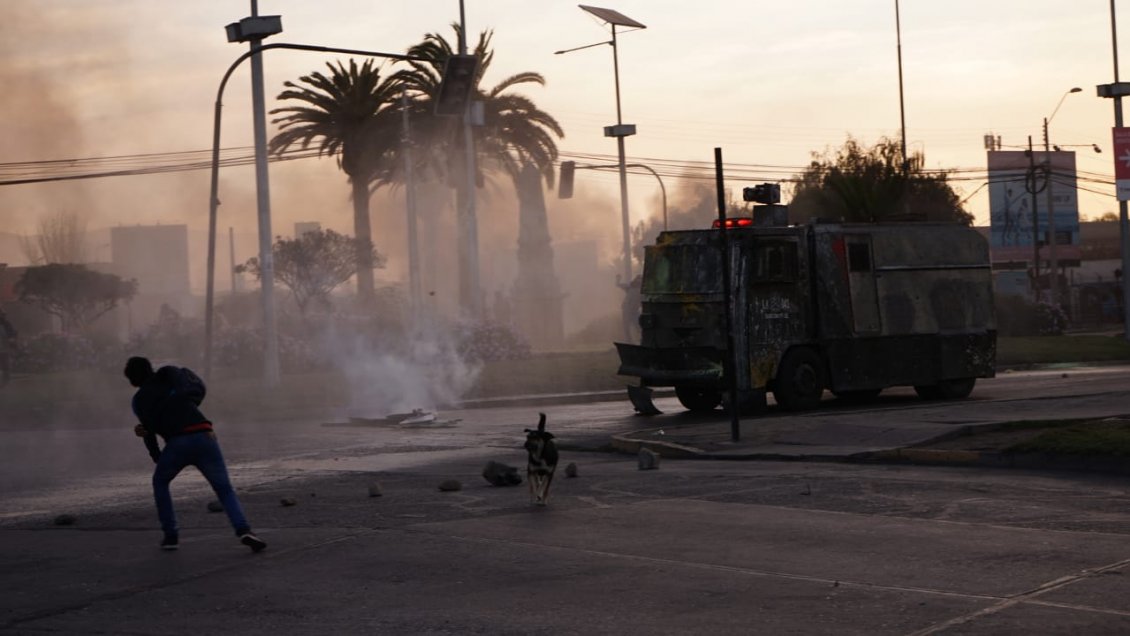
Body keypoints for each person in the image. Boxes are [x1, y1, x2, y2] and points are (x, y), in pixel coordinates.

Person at [124, 356, 266, 553]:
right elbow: (193, 393)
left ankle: (171, 535)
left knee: (160, 482)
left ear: (132, 379)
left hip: (177, 443)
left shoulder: (139, 400)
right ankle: (244, 530)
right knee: (224, 489)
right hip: (204, 435)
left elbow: (147, 432)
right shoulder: (170, 378)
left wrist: (157, 457)